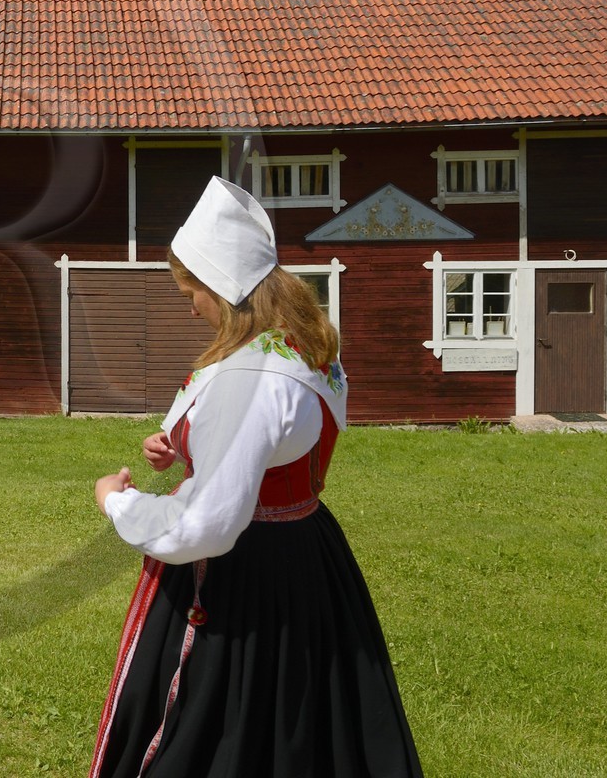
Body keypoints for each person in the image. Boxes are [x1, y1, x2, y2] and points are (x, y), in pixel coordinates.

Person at [90, 177, 422, 777]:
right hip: (308, 555)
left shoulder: (250, 375)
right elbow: (276, 448)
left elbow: (208, 524)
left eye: (191, 290)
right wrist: (185, 450)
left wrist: (120, 504)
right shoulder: (306, 348)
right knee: (307, 719)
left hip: (242, 577)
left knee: (216, 729)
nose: (188, 304)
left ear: (222, 287)